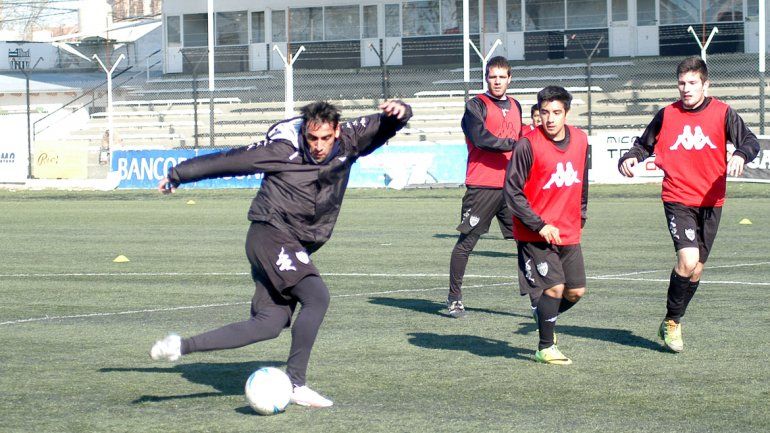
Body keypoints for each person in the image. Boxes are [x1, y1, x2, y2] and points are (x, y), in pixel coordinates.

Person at [149, 100, 412, 408]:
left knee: (268, 323)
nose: (318, 146)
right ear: (305, 133)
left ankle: (179, 346)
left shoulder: (351, 139)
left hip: (292, 245)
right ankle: (296, 384)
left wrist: (401, 111)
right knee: (317, 297)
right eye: (312, 138)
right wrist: (178, 174)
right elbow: (227, 161)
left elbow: (388, 122)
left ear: (336, 131)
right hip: (270, 234)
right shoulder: (281, 150)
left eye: (325, 138)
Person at [618, 56, 759, 353]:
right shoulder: (666, 114)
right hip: (677, 197)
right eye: (681, 83)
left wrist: (740, 154)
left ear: (706, 85)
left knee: (696, 270)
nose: (686, 88)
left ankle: (673, 318)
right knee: (687, 260)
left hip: (712, 200)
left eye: (692, 83)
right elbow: (644, 144)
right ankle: (673, 321)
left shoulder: (723, 113)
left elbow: (750, 141)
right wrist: (630, 157)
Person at [504, 86, 588, 365]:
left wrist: (582, 217)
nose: (550, 119)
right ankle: (545, 346)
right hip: (534, 233)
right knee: (553, 288)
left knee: (575, 292)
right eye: (544, 112)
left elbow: (581, 183)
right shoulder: (526, 145)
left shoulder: (580, 139)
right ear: (537, 113)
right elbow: (512, 192)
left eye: (556, 112)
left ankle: (543, 314)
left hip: (568, 230)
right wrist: (539, 225)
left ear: (567, 113)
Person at [446, 55, 523, 318]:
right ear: (486, 78)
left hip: (511, 187)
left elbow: (522, 139)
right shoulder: (475, 105)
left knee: (527, 241)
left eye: (502, 76)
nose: (497, 81)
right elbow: (480, 138)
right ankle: (454, 299)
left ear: (510, 79)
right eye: (493, 76)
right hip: (482, 185)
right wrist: (512, 144)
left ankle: (537, 299)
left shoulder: (516, 105)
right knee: (466, 242)